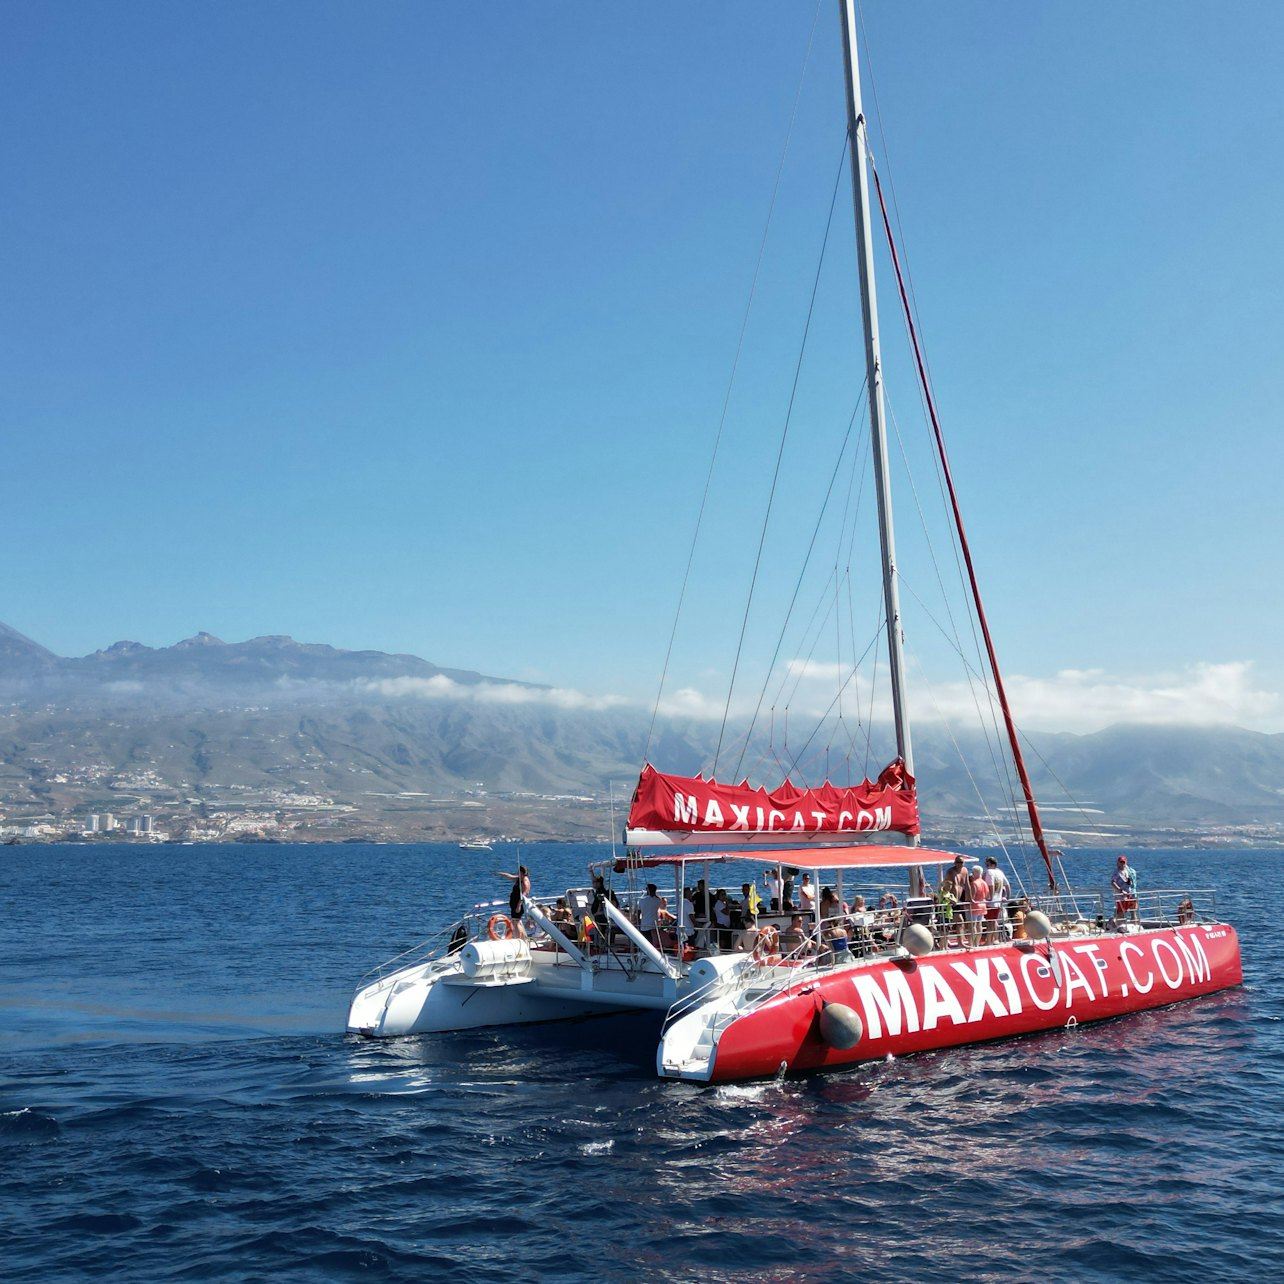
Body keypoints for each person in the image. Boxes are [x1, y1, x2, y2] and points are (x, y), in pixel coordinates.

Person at [497, 864, 531, 938]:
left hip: (518, 904)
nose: (517, 873)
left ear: (522, 872)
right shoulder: (519, 878)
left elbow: (525, 893)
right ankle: (523, 938)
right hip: (515, 904)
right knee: (517, 922)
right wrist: (502, 874)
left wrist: (519, 905)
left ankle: (519, 939)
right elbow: (510, 877)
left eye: (518, 871)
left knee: (516, 922)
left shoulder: (524, 880)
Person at [984, 856, 1010, 943]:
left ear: (992, 864)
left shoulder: (989, 872)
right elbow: (1007, 885)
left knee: (989, 923)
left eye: (987, 864)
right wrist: (1007, 897)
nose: (986, 866)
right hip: (998, 902)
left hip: (990, 902)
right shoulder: (1000, 872)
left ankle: (989, 941)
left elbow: (991, 885)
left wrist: (990, 898)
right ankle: (995, 939)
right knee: (994, 921)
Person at [1112, 854, 1138, 920]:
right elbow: (1113, 882)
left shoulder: (1129, 871)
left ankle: (1134, 925)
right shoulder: (1116, 872)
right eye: (1121, 862)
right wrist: (1120, 890)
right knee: (1121, 913)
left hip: (1131, 893)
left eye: (1123, 862)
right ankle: (1120, 926)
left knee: (1133, 911)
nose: (1122, 864)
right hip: (1122, 896)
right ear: (1118, 863)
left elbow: (1132, 882)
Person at [968, 865, 989, 946]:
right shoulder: (984, 883)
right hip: (983, 905)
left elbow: (972, 897)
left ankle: (972, 943)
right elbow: (987, 895)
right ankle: (977, 943)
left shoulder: (974, 883)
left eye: (973, 872)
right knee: (979, 924)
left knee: (973, 925)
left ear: (976, 872)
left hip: (975, 905)